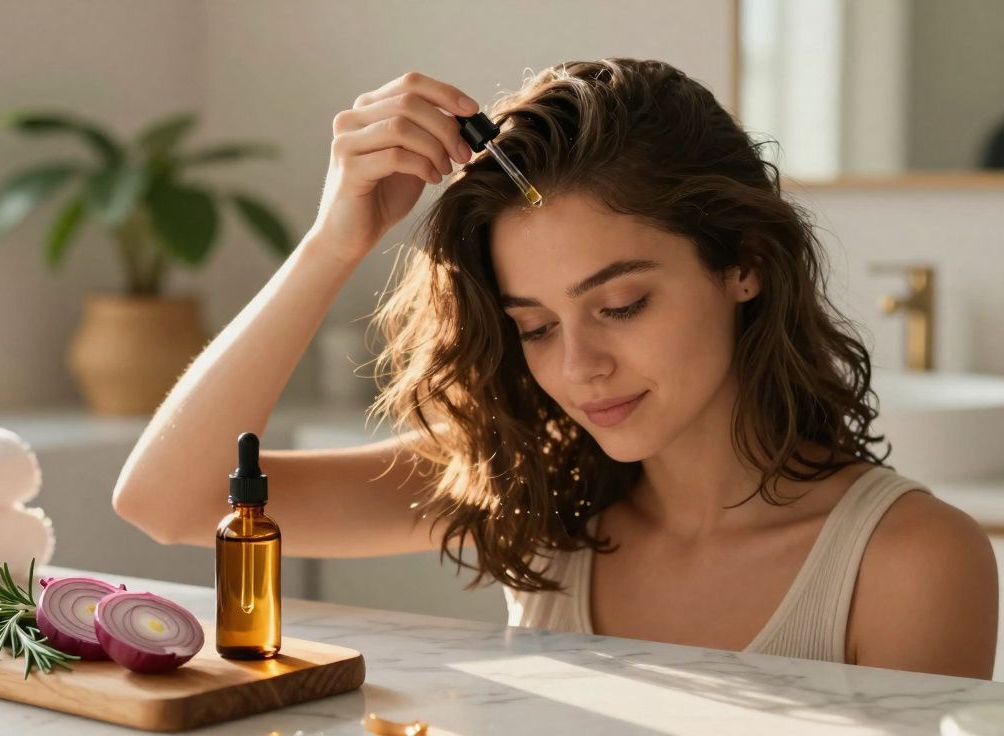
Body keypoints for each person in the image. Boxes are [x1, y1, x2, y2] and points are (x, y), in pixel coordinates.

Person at [113, 59, 997, 679]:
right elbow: (169, 502)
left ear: (745, 264)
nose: (580, 368)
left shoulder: (907, 563)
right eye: (534, 326)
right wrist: (330, 243)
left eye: (621, 306)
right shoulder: (534, 493)